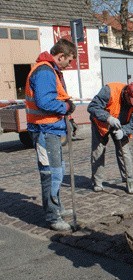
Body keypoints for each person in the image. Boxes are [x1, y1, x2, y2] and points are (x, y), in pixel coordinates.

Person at [25, 39, 77, 232]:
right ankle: (52, 216)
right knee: (51, 174)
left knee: (58, 170)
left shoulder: (50, 70)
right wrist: (66, 107)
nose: (69, 65)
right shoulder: (45, 71)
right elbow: (45, 102)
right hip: (44, 131)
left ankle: (57, 207)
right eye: (69, 60)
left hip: (51, 129)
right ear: (61, 56)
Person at [87, 82, 133, 194]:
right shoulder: (109, 91)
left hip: (121, 126)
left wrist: (123, 132)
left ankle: (130, 181)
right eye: (131, 100)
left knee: (125, 152)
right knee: (98, 151)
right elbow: (92, 107)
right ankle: (97, 182)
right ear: (126, 93)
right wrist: (108, 118)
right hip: (101, 123)